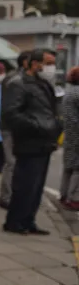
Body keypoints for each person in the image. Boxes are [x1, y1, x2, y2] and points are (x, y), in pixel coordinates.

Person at [1, 48, 61, 235]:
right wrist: (37, 125)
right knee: (25, 185)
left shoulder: (44, 84)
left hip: (44, 142)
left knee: (36, 187)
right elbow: (11, 114)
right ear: (35, 64)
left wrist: (56, 125)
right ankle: (15, 222)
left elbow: (49, 109)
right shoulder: (18, 84)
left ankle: (29, 220)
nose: (51, 68)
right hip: (29, 142)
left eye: (53, 64)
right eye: (48, 63)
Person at [0, 50, 31, 208]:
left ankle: (16, 195)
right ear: (25, 62)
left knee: (18, 163)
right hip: (10, 127)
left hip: (20, 127)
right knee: (11, 162)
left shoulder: (22, 78)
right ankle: (6, 197)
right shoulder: (14, 79)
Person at [60, 66, 79, 210]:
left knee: (68, 167)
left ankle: (64, 194)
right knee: (78, 169)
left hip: (70, 133)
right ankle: (74, 198)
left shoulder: (69, 92)